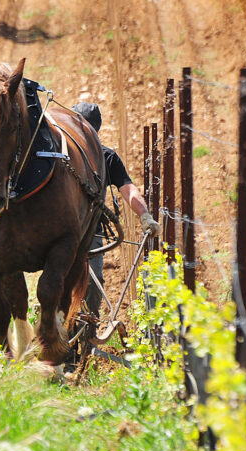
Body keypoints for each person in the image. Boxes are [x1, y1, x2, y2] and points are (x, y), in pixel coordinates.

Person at [71, 102, 160, 321]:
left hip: (91, 229)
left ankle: (88, 329)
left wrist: (144, 215)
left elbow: (128, 189)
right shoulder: (62, 157)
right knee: (59, 280)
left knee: (93, 282)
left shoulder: (106, 158)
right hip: (60, 229)